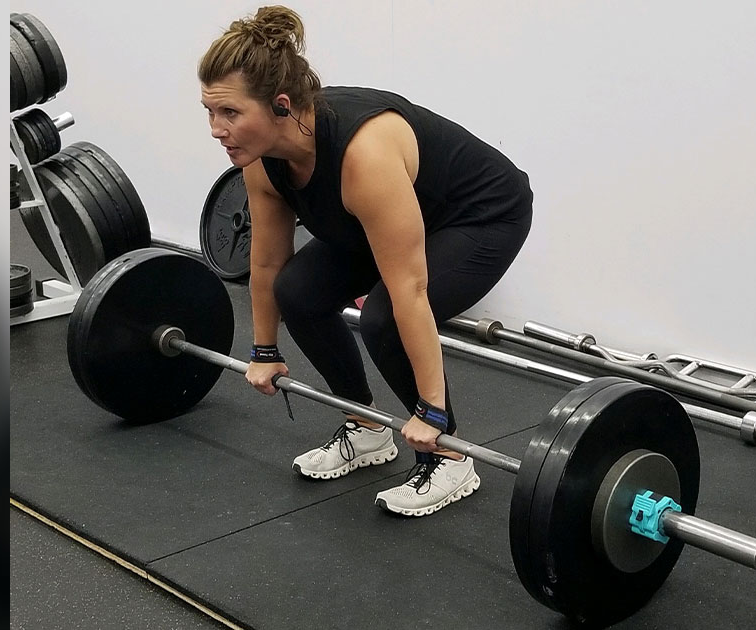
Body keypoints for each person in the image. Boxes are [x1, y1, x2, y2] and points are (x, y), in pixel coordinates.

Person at [198, 5, 532, 517]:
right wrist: (263, 349)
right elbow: (266, 264)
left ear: (281, 105)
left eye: (230, 113)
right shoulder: (262, 161)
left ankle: (449, 456)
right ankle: (369, 428)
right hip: (386, 215)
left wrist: (432, 410)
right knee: (298, 292)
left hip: (477, 215)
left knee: (385, 317)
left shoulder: (363, 154)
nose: (217, 129)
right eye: (210, 113)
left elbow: (411, 291)